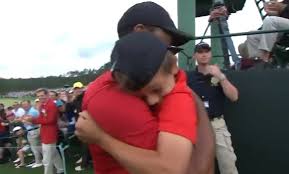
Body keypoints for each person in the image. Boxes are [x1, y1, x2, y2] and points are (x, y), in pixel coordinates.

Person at [75, 2, 215, 174]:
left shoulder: (165, 85)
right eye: (169, 46)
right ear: (140, 33)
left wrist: (102, 139)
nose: (170, 53)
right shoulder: (113, 98)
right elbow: (189, 170)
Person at [187, 42, 239, 174]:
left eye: (206, 51)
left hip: (217, 125)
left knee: (228, 165)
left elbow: (234, 97)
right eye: (200, 52)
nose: (204, 54)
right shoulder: (189, 78)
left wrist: (221, 77)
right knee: (198, 166)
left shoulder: (220, 74)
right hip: (196, 126)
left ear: (210, 54)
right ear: (195, 56)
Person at [23, 88, 64, 174]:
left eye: (42, 95)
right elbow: (42, 118)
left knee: (47, 159)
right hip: (45, 133)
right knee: (54, 154)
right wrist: (32, 119)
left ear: (47, 95)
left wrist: (32, 120)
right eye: (38, 96)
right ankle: (61, 169)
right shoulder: (43, 105)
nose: (40, 98)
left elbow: (50, 120)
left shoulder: (51, 105)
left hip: (50, 134)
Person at [238, 0, 289, 68]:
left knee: (270, 21)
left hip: (284, 31)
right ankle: (258, 62)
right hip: (283, 33)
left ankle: (265, 54)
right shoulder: (283, 3)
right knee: (252, 35)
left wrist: (284, 8)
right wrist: (274, 14)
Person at [21, 100, 42, 168]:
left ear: (29, 104)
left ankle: (39, 162)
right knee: (35, 147)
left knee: (36, 148)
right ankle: (38, 161)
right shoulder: (27, 111)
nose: (24, 106)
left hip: (34, 130)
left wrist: (24, 120)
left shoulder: (32, 111)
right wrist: (24, 120)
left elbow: (34, 123)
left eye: (25, 104)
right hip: (31, 131)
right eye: (23, 105)